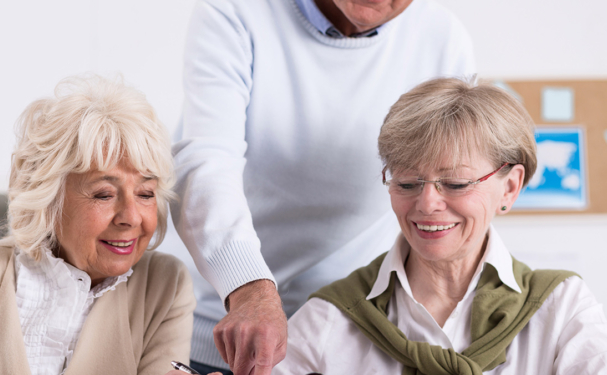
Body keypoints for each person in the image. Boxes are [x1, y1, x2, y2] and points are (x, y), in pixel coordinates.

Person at [167, 0, 476, 373]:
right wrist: (247, 286)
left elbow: (450, 192)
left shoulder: (442, 37)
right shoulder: (234, 12)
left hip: (356, 340)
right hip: (228, 326)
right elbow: (207, 160)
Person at [273, 77, 607, 374]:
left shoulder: (562, 309)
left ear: (509, 187)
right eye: (406, 183)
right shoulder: (329, 318)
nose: (427, 203)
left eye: (456, 183)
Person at [0, 76, 198, 375]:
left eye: (145, 193)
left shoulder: (164, 285)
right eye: (104, 194)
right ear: (48, 197)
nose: (131, 217)